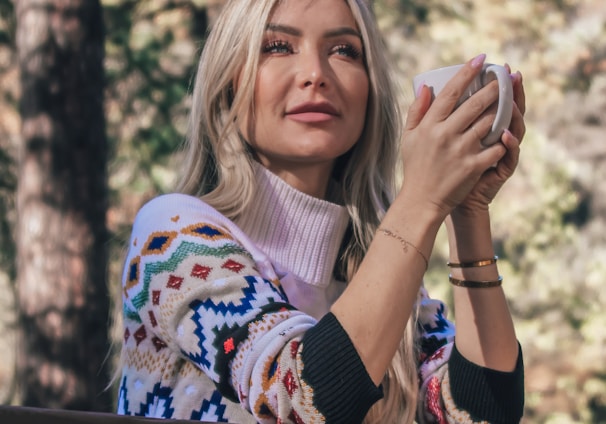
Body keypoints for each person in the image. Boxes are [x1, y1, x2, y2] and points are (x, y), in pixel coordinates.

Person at [116, 0, 526, 422]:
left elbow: (477, 415)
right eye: (277, 46)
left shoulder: (377, 272)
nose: (316, 73)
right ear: (229, 83)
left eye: (344, 50)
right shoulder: (172, 238)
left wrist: (467, 209)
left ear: (370, 90)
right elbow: (297, 398)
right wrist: (421, 199)